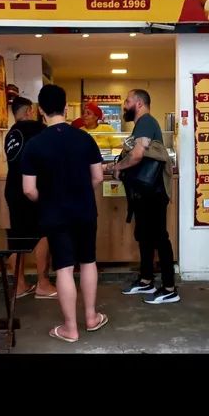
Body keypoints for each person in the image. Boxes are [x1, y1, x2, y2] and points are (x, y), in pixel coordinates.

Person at [22, 84, 108, 343]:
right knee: (88, 261)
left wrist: (48, 199)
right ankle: (91, 318)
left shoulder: (35, 145)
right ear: (65, 106)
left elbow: (28, 190)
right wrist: (79, 191)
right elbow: (98, 176)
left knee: (64, 268)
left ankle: (70, 329)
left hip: (55, 213)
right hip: (84, 209)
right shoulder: (84, 137)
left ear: (41, 110)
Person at [109, 89, 180, 304]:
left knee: (159, 237)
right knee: (145, 236)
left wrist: (118, 166)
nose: (124, 106)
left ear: (139, 103)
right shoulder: (141, 125)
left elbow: (138, 154)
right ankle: (146, 280)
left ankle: (169, 288)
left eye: (127, 101)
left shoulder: (146, 121)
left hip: (153, 192)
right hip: (144, 192)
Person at [4, 96, 57, 299]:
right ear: (28, 110)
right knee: (42, 234)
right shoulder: (38, 129)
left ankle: (19, 286)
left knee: (17, 237)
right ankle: (43, 284)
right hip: (34, 189)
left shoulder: (11, 134)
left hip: (12, 190)